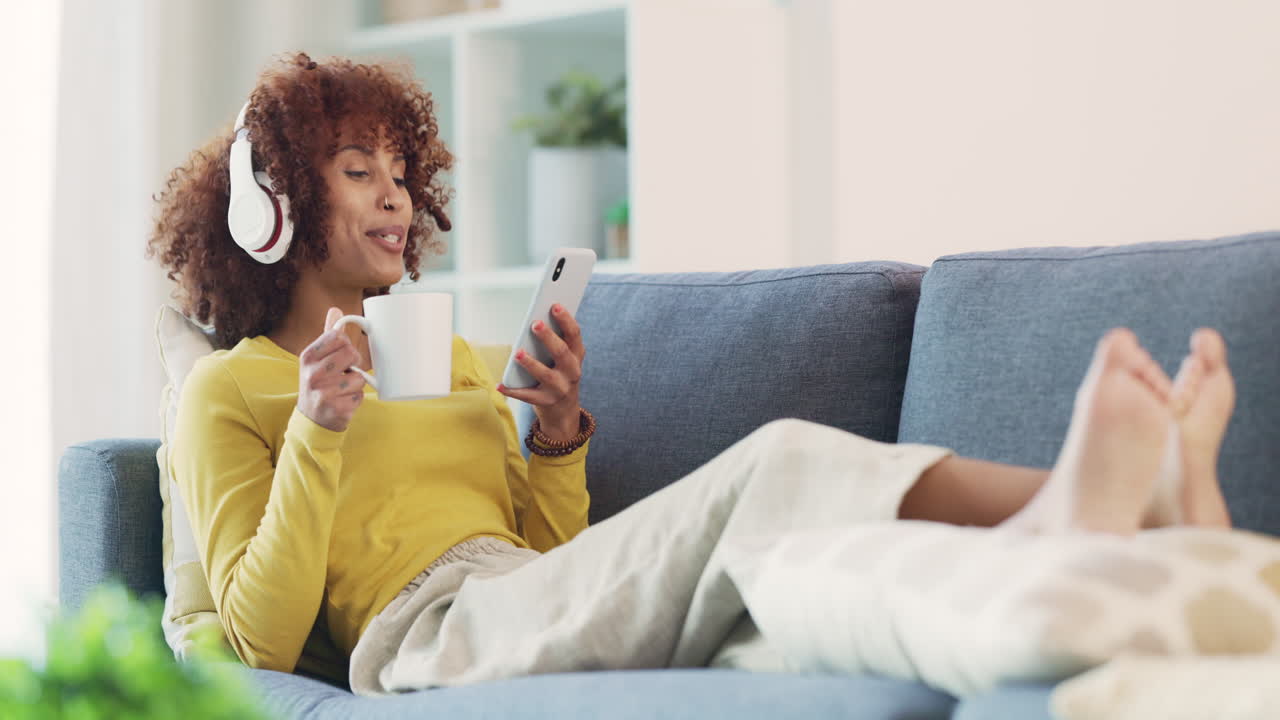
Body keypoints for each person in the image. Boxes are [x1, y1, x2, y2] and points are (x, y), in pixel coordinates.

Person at [148, 52, 1237, 696]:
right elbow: (261, 640)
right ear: (272, 207)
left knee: (808, 577)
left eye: (401, 174)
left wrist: (556, 432)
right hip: (423, 637)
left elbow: (553, 556)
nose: (394, 198)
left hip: (520, 592)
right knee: (771, 469)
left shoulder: (463, 360)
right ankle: (1085, 506)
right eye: (356, 173)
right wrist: (319, 430)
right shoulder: (231, 391)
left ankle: (1120, 531)